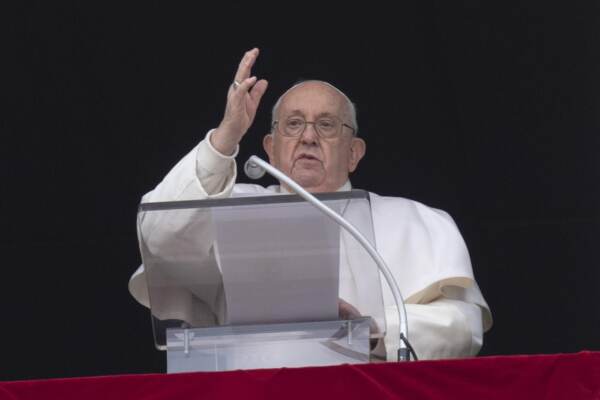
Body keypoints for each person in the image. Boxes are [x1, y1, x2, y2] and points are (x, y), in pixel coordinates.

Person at [129, 48, 492, 361]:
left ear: (354, 153)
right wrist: (226, 137)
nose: (307, 137)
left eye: (327, 125)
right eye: (293, 124)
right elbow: (158, 237)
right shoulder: (227, 205)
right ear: (270, 146)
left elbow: (462, 325)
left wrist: (371, 330)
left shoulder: (415, 220)